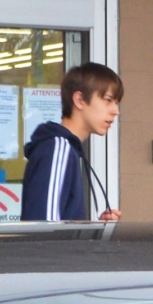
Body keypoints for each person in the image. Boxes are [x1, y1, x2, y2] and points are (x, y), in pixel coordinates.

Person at [20, 62, 122, 222]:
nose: (115, 111)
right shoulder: (58, 150)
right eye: (108, 100)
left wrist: (94, 230)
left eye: (116, 102)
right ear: (79, 99)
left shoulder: (64, 149)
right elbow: (46, 231)